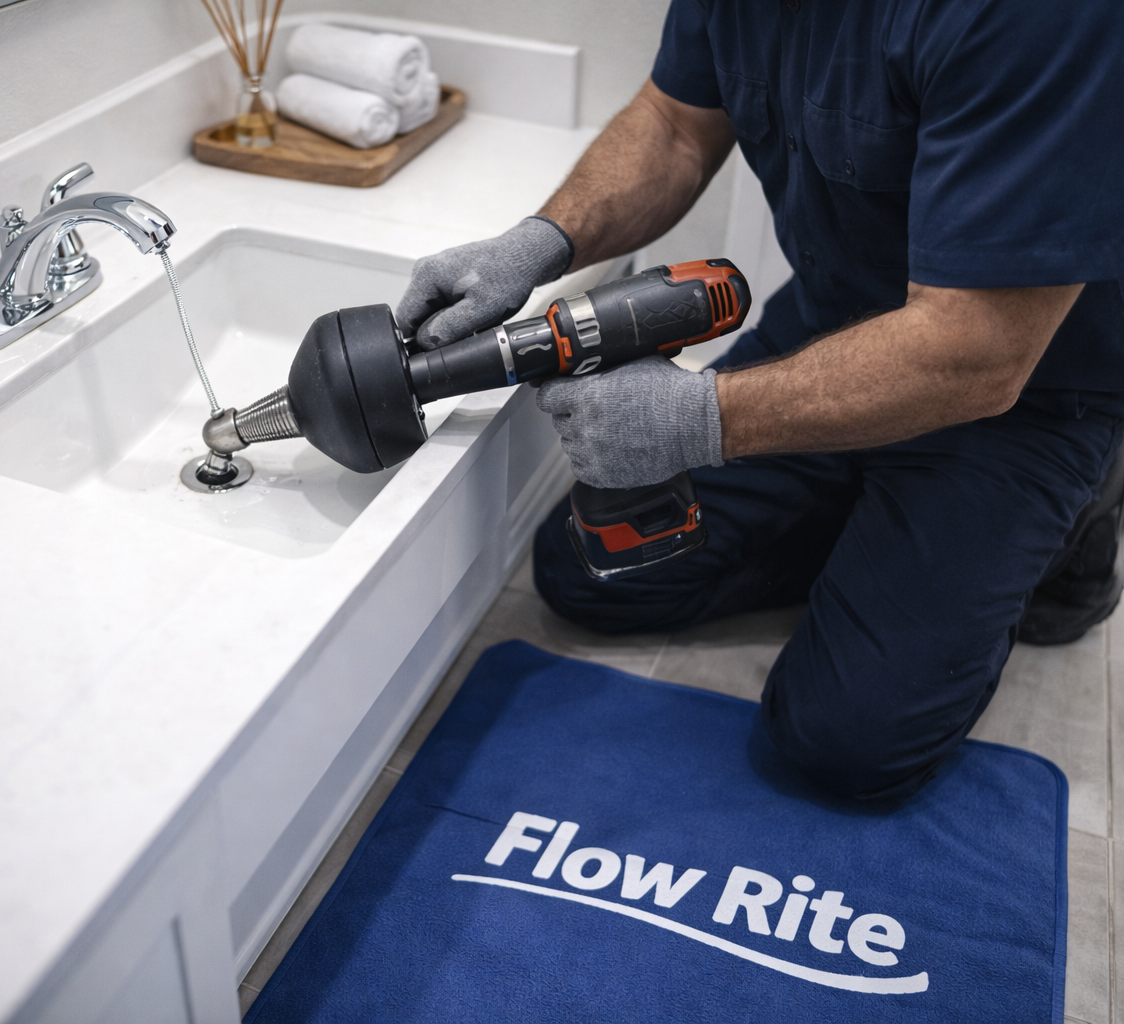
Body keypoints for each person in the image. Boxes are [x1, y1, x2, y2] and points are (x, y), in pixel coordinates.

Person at [394, 0, 1124, 801]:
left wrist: (698, 420)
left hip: (1021, 397)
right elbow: (673, 125)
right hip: (832, 328)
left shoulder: (1040, 17)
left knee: (844, 746)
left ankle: (1081, 513)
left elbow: (977, 351)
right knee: (592, 573)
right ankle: (876, 516)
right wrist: (539, 243)